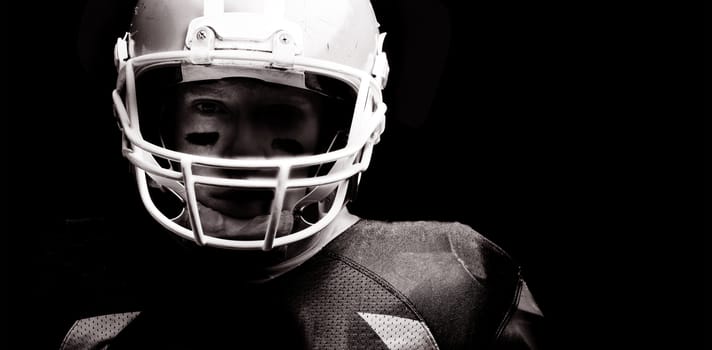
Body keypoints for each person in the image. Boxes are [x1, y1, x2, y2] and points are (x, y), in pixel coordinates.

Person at [55, 0, 545, 348]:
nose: (242, 153)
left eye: (281, 114)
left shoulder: (449, 286)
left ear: (341, 127)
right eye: (207, 110)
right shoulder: (65, 275)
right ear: (159, 115)